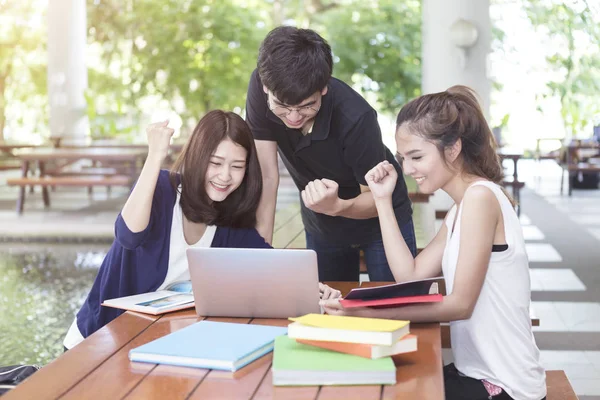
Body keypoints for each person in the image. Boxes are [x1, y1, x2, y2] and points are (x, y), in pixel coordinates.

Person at [321, 86, 546, 400]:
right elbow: (410, 276)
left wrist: (368, 315)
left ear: (452, 149)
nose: (408, 169)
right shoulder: (461, 208)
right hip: (476, 373)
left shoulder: (481, 198)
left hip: (505, 387)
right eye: (403, 158)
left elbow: (460, 305)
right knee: (375, 380)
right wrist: (382, 200)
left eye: (416, 157)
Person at [64, 110, 340, 350]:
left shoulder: (230, 224)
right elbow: (128, 235)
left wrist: (315, 291)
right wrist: (155, 156)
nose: (225, 176)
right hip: (98, 340)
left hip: (149, 342)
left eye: (237, 166)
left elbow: (270, 268)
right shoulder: (161, 189)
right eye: (216, 163)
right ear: (197, 157)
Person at [246, 26, 416, 282]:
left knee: (395, 308)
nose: (292, 117)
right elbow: (267, 178)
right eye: (282, 106)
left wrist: (337, 206)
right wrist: (260, 255)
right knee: (328, 310)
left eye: (307, 106)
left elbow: (377, 198)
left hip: (382, 223)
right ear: (266, 88)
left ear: (324, 88)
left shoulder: (356, 118)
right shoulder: (260, 88)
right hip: (322, 224)